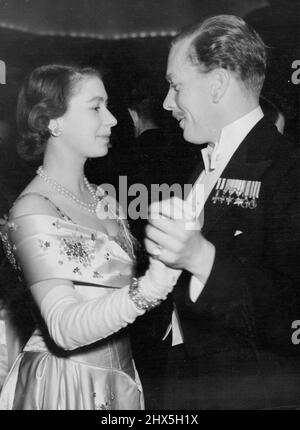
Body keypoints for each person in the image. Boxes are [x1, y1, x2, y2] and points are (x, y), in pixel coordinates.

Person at [0, 64, 178, 410]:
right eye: (96, 107)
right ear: (52, 121)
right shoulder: (33, 210)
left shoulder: (99, 196)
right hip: (68, 387)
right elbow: (64, 329)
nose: (112, 120)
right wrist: (154, 284)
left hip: (122, 378)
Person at [145, 15, 300, 409]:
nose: (167, 103)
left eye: (176, 86)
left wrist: (201, 257)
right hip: (186, 374)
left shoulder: (287, 168)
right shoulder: (205, 162)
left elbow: (288, 308)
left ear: (216, 84)